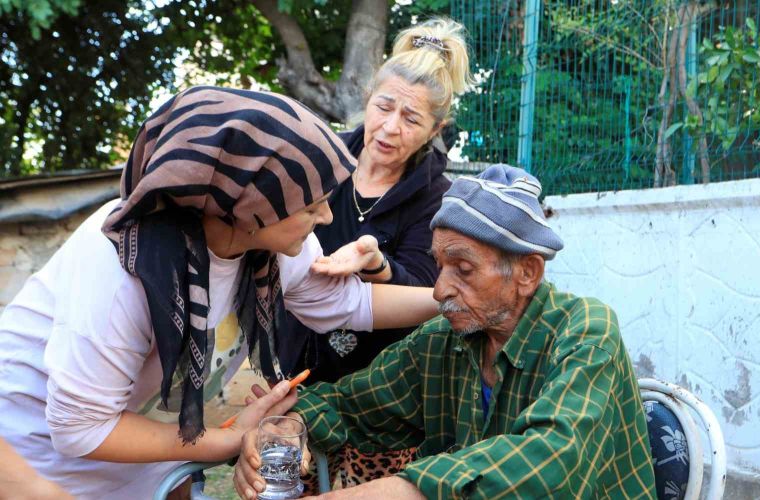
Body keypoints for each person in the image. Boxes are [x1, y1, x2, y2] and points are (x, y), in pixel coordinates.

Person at [0, 86, 437, 499]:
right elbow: (80, 429)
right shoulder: (126, 265)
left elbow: (352, 303)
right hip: (34, 467)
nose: (325, 216)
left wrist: (450, 298)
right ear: (249, 207)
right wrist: (219, 440)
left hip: (137, 457)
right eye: (309, 205)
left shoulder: (275, 250)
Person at [235, 165, 657, 499]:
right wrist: (285, 423)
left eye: (464, 269)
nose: (439, 289)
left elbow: (553, 464)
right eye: (439, 265)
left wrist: (398, 490)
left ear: (527, 272)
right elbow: (348, 404)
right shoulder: (445, 340)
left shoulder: (586, 331)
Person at [284, 17, 474, 385]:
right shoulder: (321, 158)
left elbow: (425, 290)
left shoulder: (437, 198)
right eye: (384, 107)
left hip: (380, 380)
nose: (390, 128)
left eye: (411, 119)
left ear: (435, 130)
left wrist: (377, 265)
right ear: (368, 99)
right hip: (292, 353)